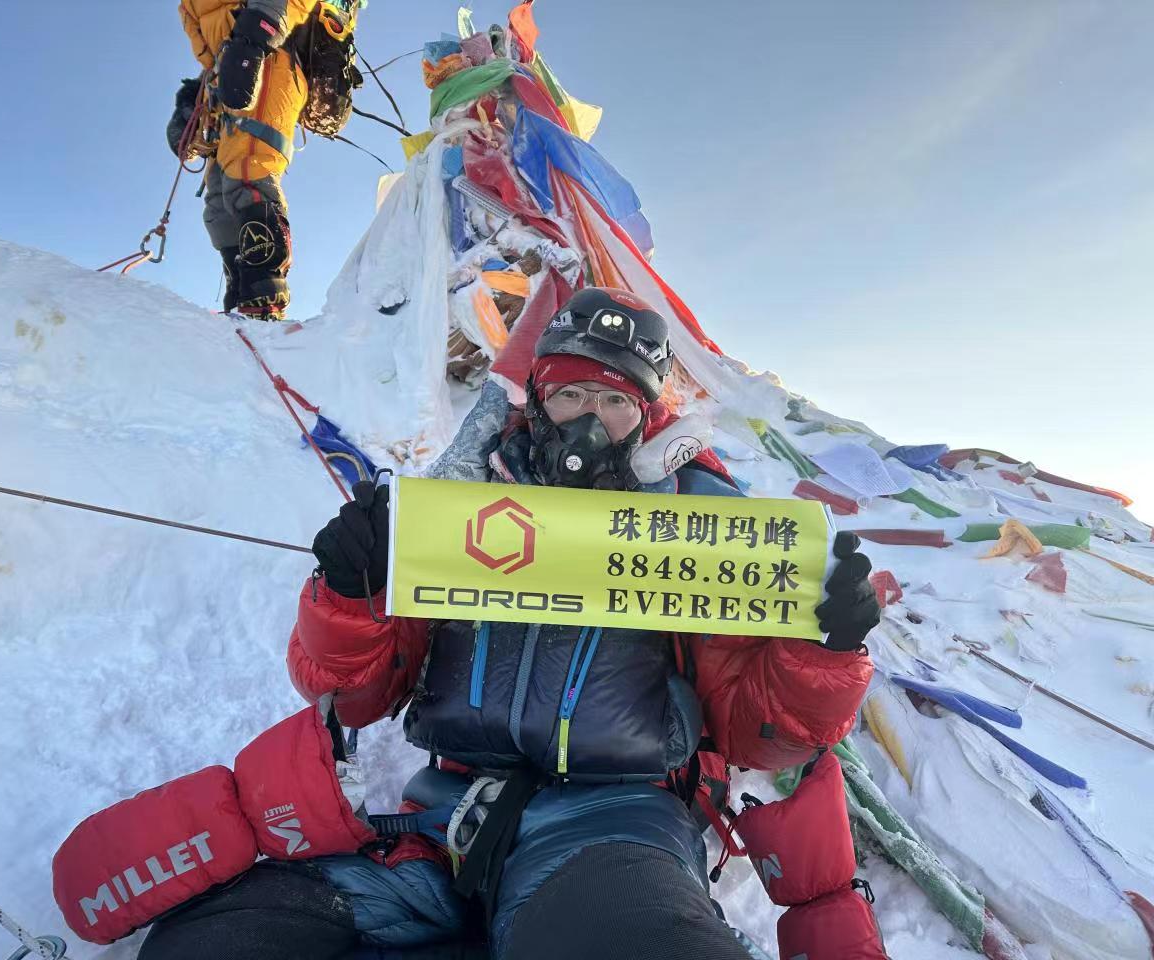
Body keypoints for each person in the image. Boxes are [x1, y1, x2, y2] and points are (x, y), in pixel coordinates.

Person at [138, 288, 882, 959]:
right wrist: (350, 593)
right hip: (446, 820)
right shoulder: (457, 512)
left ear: (648, 417)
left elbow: (761, 734)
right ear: (537, 395)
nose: (592, 420)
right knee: (216, 939)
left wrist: (819, 650)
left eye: (616, 402)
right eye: (572, 393)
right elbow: (355, 699)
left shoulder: (697, 538)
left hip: (617, 824)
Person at [172, 0, 360, 319]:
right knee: (219, 200)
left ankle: (264, 292)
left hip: (269, 52)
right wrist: (192, 97)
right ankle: (240, 293)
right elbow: (215, 28)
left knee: (250, 170)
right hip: (229, 67)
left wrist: (259, 28)